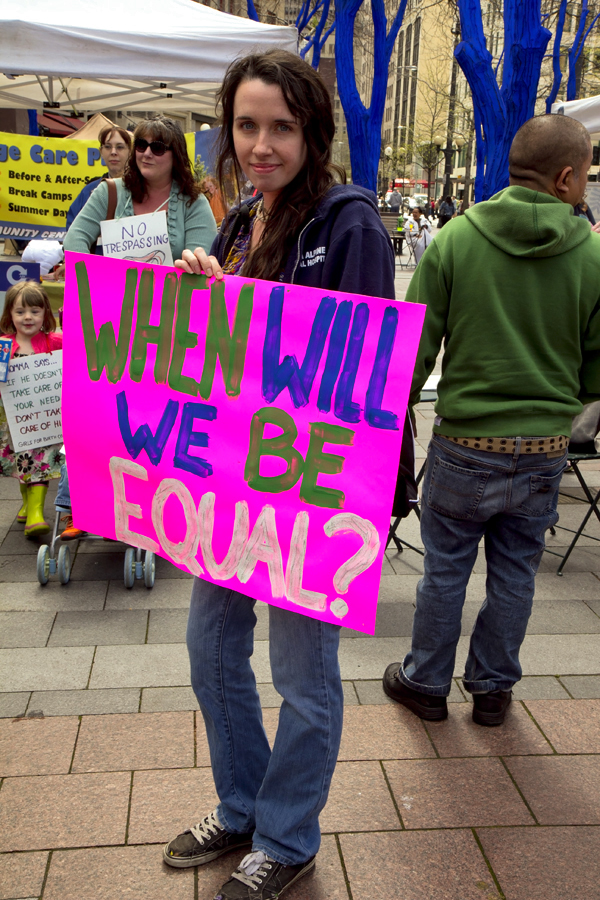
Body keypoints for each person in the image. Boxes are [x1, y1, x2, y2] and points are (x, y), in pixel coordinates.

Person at [162, 49, 395, 899]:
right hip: (228, 488)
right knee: (210, 647)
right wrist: (200, 292)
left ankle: (288, 833)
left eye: (281, 128)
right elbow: (226, 359)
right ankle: (244, 803)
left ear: (313, 133)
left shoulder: (350, 224)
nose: (261, 145)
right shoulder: (237, 221)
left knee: (303, 673)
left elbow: (360, 372)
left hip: (309, 493)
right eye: (247, 126)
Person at [382, 113, 600, 728]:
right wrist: (562, 394)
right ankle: (493, 689)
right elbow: (596, 368)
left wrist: (395, 415)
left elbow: (414, 344)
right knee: (515, 573)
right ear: (564, 179)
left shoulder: (455, 239)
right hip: (545, 447)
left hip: (464, 442)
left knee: (444, 571)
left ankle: (425, 682)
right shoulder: (592, 254)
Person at [64, 115, 217, 260]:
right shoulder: (109, 192)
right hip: (111, 288)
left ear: (176, 155)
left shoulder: (194, 203)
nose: (147, 153)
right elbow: (74, 239)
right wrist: (92, 278)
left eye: (158, 148)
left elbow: (199, 268)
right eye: (141, 145)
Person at [0, 281, 63, 537]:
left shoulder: (56, 341)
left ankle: (36, 512)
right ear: (9, 315)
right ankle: (26, 504)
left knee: (41, 462)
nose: (28, 317)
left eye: (35, 311)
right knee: (22, 463)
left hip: (46, 420)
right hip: (14, 420)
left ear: (45, 314)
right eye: (20, 312)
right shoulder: (4, 346)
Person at [65, 126, 132, 238]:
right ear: (101, 152)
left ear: (130, 152)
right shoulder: (89, 191)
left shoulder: (142, 188)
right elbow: (72, 235)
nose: (113, 152)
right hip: (93, 255)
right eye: (108, 147)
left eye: (120, 147)